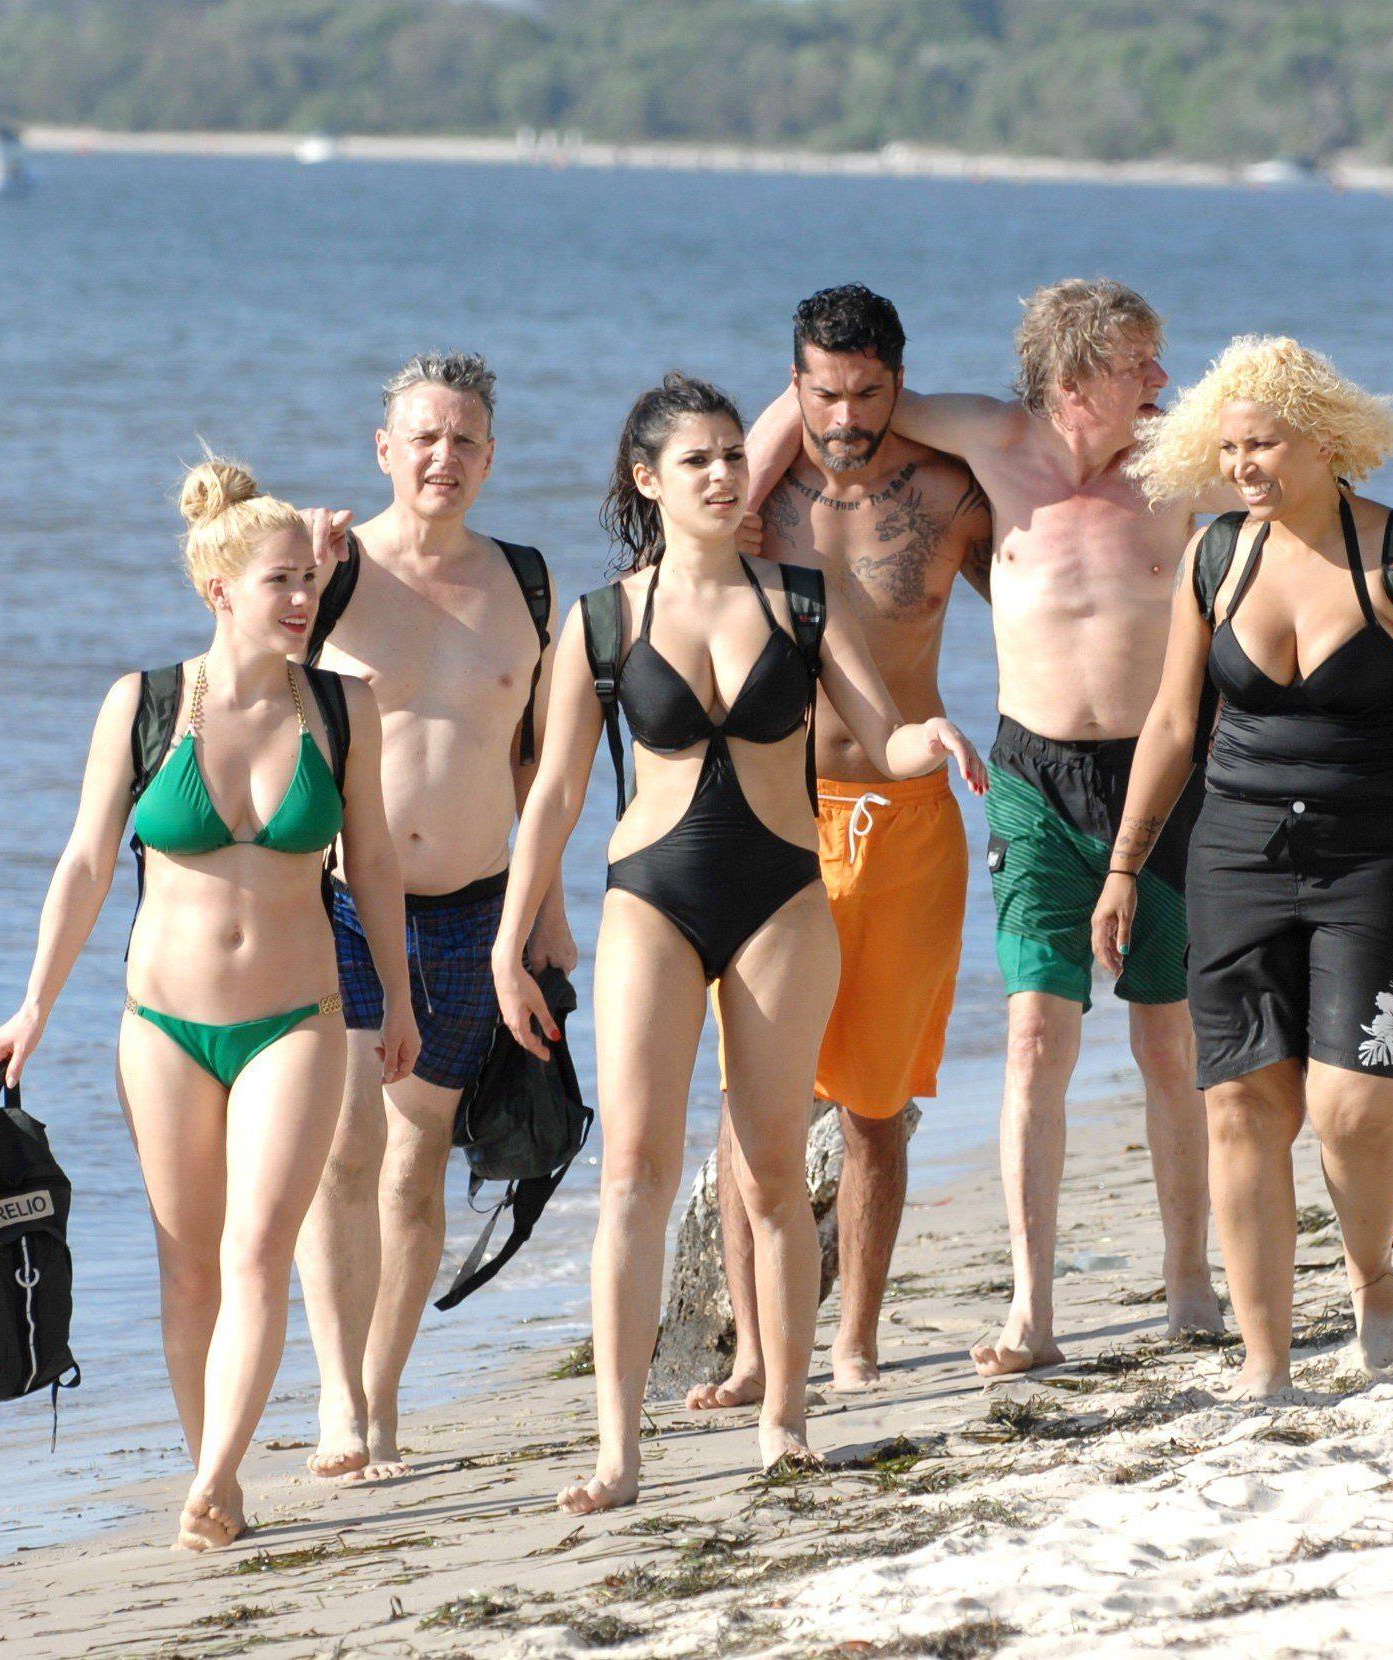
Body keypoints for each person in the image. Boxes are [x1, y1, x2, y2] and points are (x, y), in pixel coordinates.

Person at [494, 373, 985, 1515]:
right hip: (649, 898)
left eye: (731, 456)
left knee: (768, 1175)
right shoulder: (602, 622)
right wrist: (509, 942)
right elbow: (554, 793)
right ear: (647, 480)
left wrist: (934, 742)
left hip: (780, 896)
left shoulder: (800, 603)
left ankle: (784, 1420)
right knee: (633, 1176)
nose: (723, 475)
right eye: (698, 460)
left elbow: (880, 728)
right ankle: (616, 1452)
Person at [748, 279, 1231, 1376]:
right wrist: (745, 479)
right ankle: (1031, 1307)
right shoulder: (991, 441)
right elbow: (846, 410)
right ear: (1072, 380)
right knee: (1031, 1041)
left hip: (1162, 779)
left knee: (1166, 1042)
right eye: (1137, 363)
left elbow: (1294, 471)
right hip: (1031, 777)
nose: (1160, 379)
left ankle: (1189, 1277)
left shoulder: (1176, 456)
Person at [0, 459, 418, 1549]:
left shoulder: (342, 705)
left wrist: (400, 1001)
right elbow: (85, 864)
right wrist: (33, 1005)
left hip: (298, 1019)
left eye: (310, 582)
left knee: (256, 1250)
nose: (301, 599)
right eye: (279, 581)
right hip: (161, 1027)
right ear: (218, 588)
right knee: (187, 1262)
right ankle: (208, 1466)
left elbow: (371, 866)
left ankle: (218, 1477)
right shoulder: (142, 705)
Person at [1095, 335, 1393, 1398]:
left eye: (1260, 444)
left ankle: (1372, 1279)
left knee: (1354, 1103)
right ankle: (1265, 1364)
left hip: (1371, 860)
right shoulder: (1217, 555)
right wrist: (1126, 864)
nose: (1242, 465)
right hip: (1234, 860)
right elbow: (1172, 722)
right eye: (1227, 448)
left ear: (1322, 440)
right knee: (1241, 1107)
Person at [687, 285, 991, 1410]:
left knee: (874, 1108)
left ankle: (854, 1338)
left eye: (868, 390)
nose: (846, 414)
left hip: (907, 822)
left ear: (898, 379)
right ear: (794, 384)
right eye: (823, 391)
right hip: (777, 814)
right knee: (751, 1101)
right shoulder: (754, 501)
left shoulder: (950, 493)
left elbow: (1056, 602)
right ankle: (761, 1353)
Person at [289, 352, 573, 1482]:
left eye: (463, 440)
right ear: (383, 450)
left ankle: (384, 1396)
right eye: (422, 437)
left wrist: (545, 912)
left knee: (416, 1166)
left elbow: (536, 763)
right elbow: (237, 671)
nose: (442, 457)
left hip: (475, 913)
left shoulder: (528, 583)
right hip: (346, 909)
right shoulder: (333, 571)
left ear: (490, 456)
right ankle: (335, 1400)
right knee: (342, 1154)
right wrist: (297, 567)